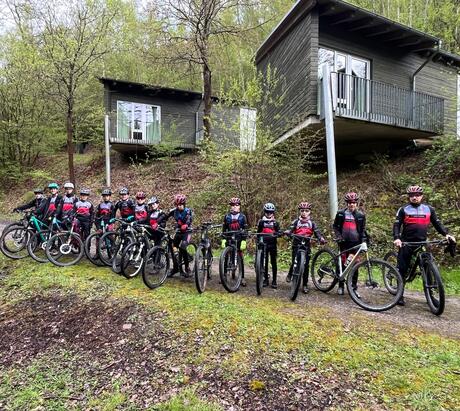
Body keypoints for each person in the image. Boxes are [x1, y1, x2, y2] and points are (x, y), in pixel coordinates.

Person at [393, 185, 456, 306]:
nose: (414, 197)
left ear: (421, 196)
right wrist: (397, 238)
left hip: (422, 242)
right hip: (407, 242)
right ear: (409, 197)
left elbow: (437, 223)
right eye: (412, 195)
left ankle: (431, 295)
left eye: (417, 195)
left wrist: (446, 234)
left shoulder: (429, 209)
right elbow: (397, 225)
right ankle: (399, 294)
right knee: (403, 268)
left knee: (427, 267)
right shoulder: (403, 209)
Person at [286, 202, 325, 294]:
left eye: (306, 211)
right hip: (296, 244)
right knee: (294, 261)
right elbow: (291, 229)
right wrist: (288, 232)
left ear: (309, 212)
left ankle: (305, 284)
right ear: (300, 212)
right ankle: (290, 273)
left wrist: (321, 238)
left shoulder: (312, 223)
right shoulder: (296, 222)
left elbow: (317, 232)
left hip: (306, 245)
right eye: (302, 211)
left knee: (306, 265)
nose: (304, 212)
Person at [333, 192, 367, 296]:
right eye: (349, 203)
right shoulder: (340, 213)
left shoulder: (360, 215)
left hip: (355, 244)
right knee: (342, 264)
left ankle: (353, 287)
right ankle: (341, 285)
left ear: (357, 203)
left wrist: (364, 242)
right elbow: (335, 227)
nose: (351, 204)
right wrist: (338, 236)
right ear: (346, 203)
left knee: (355, 265)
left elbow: (362, 230)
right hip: (343, 243)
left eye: (353, 202)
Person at [222, 197, 249, 287]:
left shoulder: (243, 217)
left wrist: (244, 240)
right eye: (232, 205)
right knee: (226, 256)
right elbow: (224, 228)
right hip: (229, 238)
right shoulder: (227, 216)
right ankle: (224, 275)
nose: (234, 207)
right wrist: (223, 238)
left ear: (239, 206)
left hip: (239, 239)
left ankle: (242, 277)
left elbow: (245, 229)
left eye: (236, 205)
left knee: (240, 257)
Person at [167, 194, 193, 277]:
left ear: (184, 204)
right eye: (177, 205)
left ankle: (187, 267)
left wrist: (186, 225)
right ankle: (176, 268)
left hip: (187, 231)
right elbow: (165, 216)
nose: (179, 206)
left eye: (181, 205)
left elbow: (189, 219)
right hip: (178, 231)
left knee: (183, 247)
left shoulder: (188, 211)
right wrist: (158, 222)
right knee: (173, 247)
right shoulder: (174, 211)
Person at [256, 202, 280, 289]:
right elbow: (258, 232)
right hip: (264, 244)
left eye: (271, 212)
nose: (269, 214)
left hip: (273, 244)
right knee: (265, 262)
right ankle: (265, 279)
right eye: (267, 212)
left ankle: (274, 280)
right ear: (264, 212)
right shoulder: (261, 221)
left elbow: (278, 232)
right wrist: (258, 241)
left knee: (273, 262)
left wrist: (279, 234)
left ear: (273, 213)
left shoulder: (275, 222)